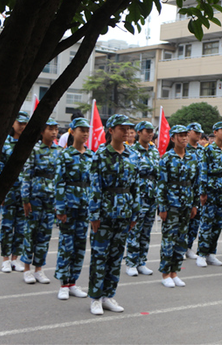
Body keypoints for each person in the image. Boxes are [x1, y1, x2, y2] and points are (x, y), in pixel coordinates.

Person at [88, 114, 139, 314]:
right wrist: (94, 215)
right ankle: (95, 297)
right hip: (105, 213)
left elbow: (136, 186)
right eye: (121, 128)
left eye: (128, 128)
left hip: (124, 212)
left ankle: (109, 295)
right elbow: (95, 187)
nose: (126, 132)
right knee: (100, 255)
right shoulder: (100, 154)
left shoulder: (132, 154)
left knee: (116, 256)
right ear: (111, 130)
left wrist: (135, 214)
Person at [157, 125, 201, 288]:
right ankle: (165, 273)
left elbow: (196, 183)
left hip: (187, 204)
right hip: (172, 204)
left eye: (185, 135)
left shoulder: (192, 158)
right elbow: (162, 184)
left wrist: (195, 204)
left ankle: (175, 271)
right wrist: (162, 207)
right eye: (180, 136)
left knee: (181, 239)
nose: (183, 138)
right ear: (173, 138)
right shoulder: (167, 158)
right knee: (169, 239)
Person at [54, 117, 93, 300]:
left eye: (87, 130)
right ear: (72, 132)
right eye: (81, 130)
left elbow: (94, 183)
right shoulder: (65, 155)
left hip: (85, 207)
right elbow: (59, 182)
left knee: (79, 246)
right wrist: (60, 208)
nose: (85, 133)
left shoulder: (91, 155)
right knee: (66, 245)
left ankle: (73, 282)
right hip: (69, 206)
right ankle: (63, 283)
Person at [21, 118, 62, 284]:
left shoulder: (59, 150)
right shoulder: (34, 149)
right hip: (35, 197)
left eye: (55, 129)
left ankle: (39, 268)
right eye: (50, 129)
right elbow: (26, 174)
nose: (53, 132)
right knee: (30, 232)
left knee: (45, 234)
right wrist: (25, 198)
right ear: (42, 131)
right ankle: (26, 268)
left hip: (51, 198)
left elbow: (60, 177)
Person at [124, 121, 159, 277]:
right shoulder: (131, 151)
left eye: (151, 131)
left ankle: (141, 262)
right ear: (139, 132)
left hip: (151, 196)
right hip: (138, 196)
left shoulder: (154, 151)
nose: (150, 134)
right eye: (147, 131)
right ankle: (131, 262)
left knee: (146, 231)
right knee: (135, 230)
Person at [196, 122, 222, 268]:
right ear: (215, 132)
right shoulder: (208, 150)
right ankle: (202, 254)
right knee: (207, 223)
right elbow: (203, 170)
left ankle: (211, 253)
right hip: (210, 190)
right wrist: (203, 192)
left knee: (218, 224)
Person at [0, 111, 30, 273]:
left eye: (25, 124)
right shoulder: (5, 144)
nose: (23, 127)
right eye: (20, 123)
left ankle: (15, 258)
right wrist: (0, 191)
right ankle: (5, 258)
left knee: (21, 226)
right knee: (6, 225)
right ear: (13, 124)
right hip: (9, 190)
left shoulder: (28, 145)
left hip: (24, 191)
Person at [183, 122, 206, 260]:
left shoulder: (202, 150)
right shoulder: (184, 149)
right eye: (195, 132)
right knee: (184, 220)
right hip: (186, 189)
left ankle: (189, 246)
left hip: (198, 190)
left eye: (199, 133)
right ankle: (181, 246)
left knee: (195, 220)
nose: (198, 135)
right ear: (189, 132)